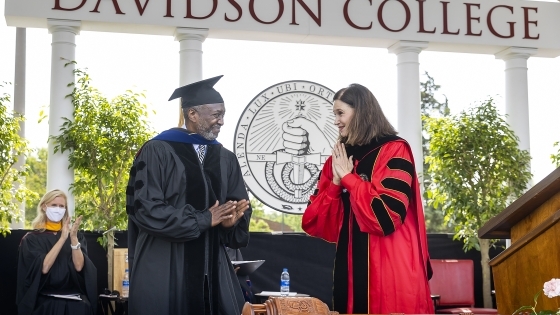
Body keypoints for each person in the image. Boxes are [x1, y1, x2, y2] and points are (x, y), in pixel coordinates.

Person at [302, 84, 433, 314]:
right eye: (335, 114)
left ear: (360, 112)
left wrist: (350, 179)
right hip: (349, 268)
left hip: (389, 265)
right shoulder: (340, 158)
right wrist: (335, 184)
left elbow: (385, 218)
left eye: (340, 113)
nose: (336, 121)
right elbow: (316, 223)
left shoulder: (395, 150)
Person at [126, 75, 252, 315]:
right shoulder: (157, 150)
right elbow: (145, 209)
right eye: (216, 114)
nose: (222, 121)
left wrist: (230, 223)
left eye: (223, 114)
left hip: (212, 266)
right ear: (192, 114)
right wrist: (203, 219)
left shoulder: (225, 158)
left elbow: (237, 205)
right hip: (165, 262)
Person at [16, 189, 97, 315]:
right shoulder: (32, 238)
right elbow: (44, 267)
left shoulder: (76, 236)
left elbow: (79, 266)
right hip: (45, 301)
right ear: (44, 206)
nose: (58, 209)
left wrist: (73, 238)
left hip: (74, 299)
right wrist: (62, 238)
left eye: (61, 206)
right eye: (54, 205)